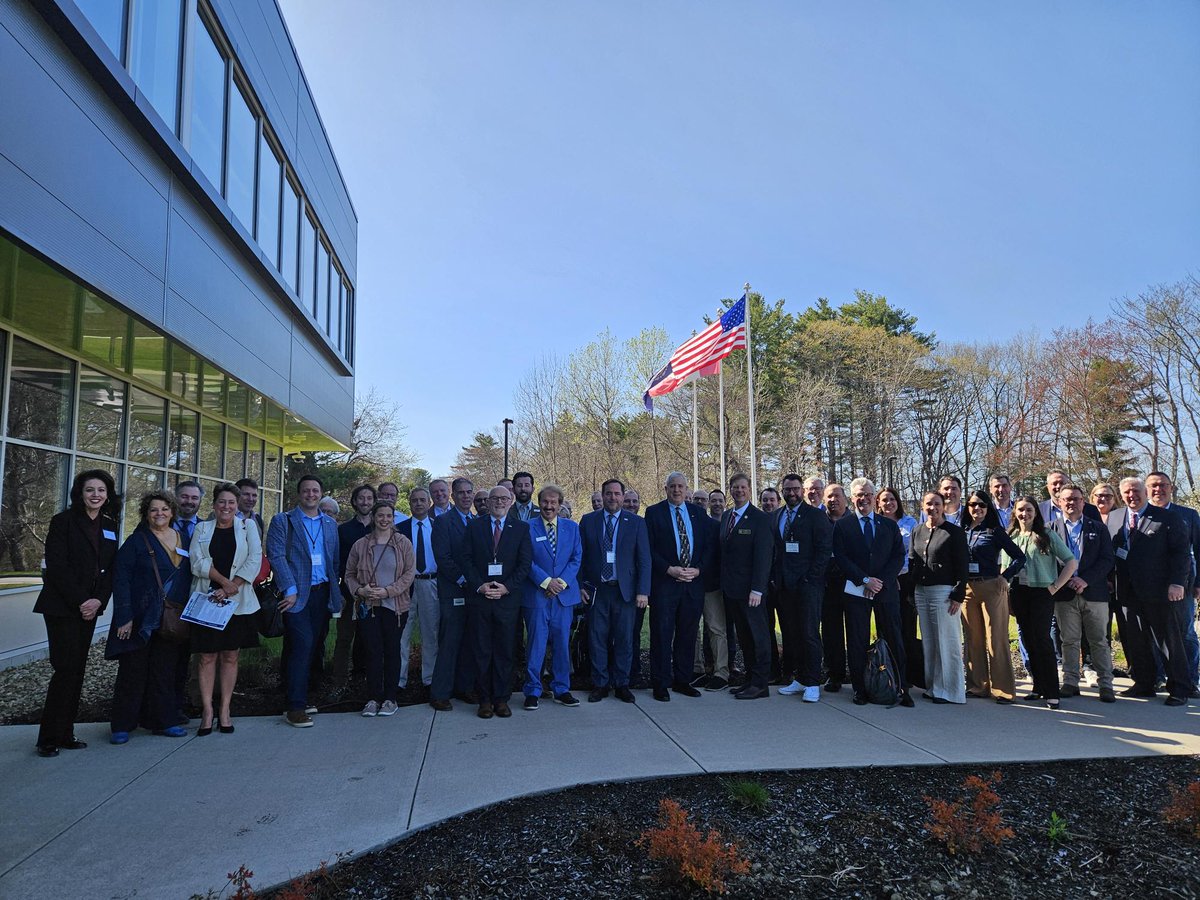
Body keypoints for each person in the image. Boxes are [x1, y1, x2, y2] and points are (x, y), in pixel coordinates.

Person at [34, 469, 121, 757]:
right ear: (79, 493)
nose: (95, 495)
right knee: (65, 670)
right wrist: (83, 600)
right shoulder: (63, 521)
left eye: (101, 490)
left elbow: (111, 569)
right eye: (89, 490)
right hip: (62, 607)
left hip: (90, 609)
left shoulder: (110, 525)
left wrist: (98, 601)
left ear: (107, 495)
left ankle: (66, 732)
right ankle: (48, 737)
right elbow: (57, 567)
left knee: (78, 671)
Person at [107, 491, 188, 743]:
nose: (160, 514)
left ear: (172, 511)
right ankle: (122, 724)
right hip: (140, 617)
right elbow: (120, 580)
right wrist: (124, 616)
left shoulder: (182, 538)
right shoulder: (136, 542)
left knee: (165, 671)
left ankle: (163, 721)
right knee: (133, 671)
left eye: (164, 509)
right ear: (146, 513)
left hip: (171, 617)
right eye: (154, 510)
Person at [1108, 477, 1192, 705]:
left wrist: (1177, 583)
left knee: (1168, 641)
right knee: (1137, 641)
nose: (1131, 495)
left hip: (1160, 591)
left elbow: (1181, 553)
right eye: (1126, 492)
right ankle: (1144, 684)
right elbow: (1111, 551)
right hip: (1127, 591)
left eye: (1135, 490)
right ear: (1121, 494)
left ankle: (1179, 688)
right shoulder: (1115, 517)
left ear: (1145, 492)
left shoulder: (1168, 518)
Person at [266, 474, 341, 727]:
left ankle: (299, 695)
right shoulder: (283, 521)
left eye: (315, 490)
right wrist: (289, 588)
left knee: (314, 645)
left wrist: (335, 594)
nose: (311, 494)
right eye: (306, 490)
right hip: (295, 595)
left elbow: (334, 561)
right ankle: (295, 708)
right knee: (303, 644)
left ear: (321, 494)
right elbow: (275, 555)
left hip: (321, 593)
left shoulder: (330, 524)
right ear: (299, 494)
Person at [189, 483, 263, 735]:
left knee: (231, 656)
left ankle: (225, 709)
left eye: (231, 502)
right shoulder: (202, 528)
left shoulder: (248, 526)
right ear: (214, 504)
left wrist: (234, 586)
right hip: (207, 600)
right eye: (222, 501)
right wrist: (223, 584)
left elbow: (255, 558)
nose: (227, 507)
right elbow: (197, 561)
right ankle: (208, 710)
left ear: (237, 504)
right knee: (207, 656)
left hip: (237, 603)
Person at [832, 478, 911, 707]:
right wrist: (865, 580)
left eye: (867, 494)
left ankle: (900, 687)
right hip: (856, 591)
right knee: (857, 640)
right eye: (858, 495)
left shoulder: (888, 525)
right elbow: (841, 557)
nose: (863, 499)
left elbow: (898, 556)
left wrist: (881, 582)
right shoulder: (843, 526)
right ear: (851, 498)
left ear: (874, 497)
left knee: (894, 637)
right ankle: (860, 689)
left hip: (885, 592)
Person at [457, 486, 533, 718]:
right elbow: (466, 560)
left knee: (505, 650)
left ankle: (502, 698)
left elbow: (525, 563)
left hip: (507, 601)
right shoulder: (474, 526)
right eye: (494, 498)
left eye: (504, 498)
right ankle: (485, 699)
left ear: (510, 502)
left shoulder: (521, 528)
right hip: (480, 598)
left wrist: (506, 587)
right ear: (487, 503)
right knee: (481, 650)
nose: (499, 502)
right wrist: (479, 585)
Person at [581, 480, 651, 702]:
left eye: (617, 494)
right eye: (608, 494)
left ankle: (622, 683)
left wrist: (643, 591)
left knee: (624, 639)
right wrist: (581, 585)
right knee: (597, 638)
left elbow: (644, 559)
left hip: (625, 592)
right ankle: (600, 683)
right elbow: (579, 557)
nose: (613, 498)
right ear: (602, 496)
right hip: (597, 591)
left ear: (623, 497)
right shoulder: (588, 521)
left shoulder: (637, 523)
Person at [645, 472, 712, 701]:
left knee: (688, 634)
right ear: (666, 489)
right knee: (662, 635)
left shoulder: (698, 513)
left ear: (686, 489)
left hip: (693, 585)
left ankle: (682, 680)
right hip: (665, 584)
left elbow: (708, 548)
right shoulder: (653, 513)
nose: (676, 490)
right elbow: (649, 549)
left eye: (680, 487)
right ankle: (660, 683)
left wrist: (699, 569)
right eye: (672, 486)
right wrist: (668, 569)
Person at [344, 501, 415, 717]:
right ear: (373, 517)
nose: (384, 520)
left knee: (392, 651)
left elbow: (409, 574)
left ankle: (391, 698)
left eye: (388, 516)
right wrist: (360, 591)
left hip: (395, 607)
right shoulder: (361, 545)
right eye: (380, 515)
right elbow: (349, 574)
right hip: (369, 607)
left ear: (393, 519)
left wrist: (388, 591)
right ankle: (373, 698)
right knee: (372, 652)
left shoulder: (403, 543)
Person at [1006, 496, 1077, 709]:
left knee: (1042, 640)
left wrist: (1055, 586)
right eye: (1020, 510)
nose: (1024, 514)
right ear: (1014, 513)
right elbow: (1005, 566)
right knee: (1028, 640)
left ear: (1036, 512)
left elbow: (1071, 562)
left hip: (1041, 593)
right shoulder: (1012, 536)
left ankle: (1052, 691)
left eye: (1028, 509)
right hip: (1019, 592)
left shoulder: (1047, 535)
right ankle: (1037, 687)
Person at [1050, 484, 1117, 702]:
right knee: (1069, 640)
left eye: (1076, 499)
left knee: (1099, 640)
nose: (1072, 503)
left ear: (1083, 502)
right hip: (1064, 594)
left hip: (1094, 593)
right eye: (1067, 499)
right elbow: (1047, 561)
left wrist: (1085, 580)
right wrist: (1067, 580)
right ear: (1059, 502)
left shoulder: (1098, 528)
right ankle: (1070, 681)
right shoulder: (1050, 529)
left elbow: (1107, 559)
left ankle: (1105, 683)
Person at [960, 491, 1025, 704]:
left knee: (995, 639)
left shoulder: (995, 531)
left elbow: (1019, 557)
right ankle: (977, 686)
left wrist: (1005, 577)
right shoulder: (962, 531)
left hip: (992, 587)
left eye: (981, 505)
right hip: (968, 589)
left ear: (988, 508)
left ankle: (1003, 690)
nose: (976, 509)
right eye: (972, 505)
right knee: (973, 639)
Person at [772, 474, 833, 702]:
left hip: (809, 586)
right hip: (785, 587)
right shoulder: (778, 515)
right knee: (793, 634)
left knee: (809, 634)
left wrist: (810, 578)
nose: (792, 493)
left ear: (801, 490)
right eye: (787, 489)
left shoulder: (815, 516)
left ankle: (813, 682)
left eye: (795, 489)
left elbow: (824, 550)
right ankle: (800, 677)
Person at [521, 485, 583, 709]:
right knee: (536, 645)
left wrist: (560, 584)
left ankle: (561, 688)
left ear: (560, 504)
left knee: (561, 644)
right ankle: (532, 690)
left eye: (554, 502)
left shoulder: (572, 528)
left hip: (563, 597)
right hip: (537, 596)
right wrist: (546, 582)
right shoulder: (527, 528)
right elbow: (526, 560)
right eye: (545, 502)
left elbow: (576, 559)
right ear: (540, 503)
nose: (549, 506)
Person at [718, 474, 775, 700]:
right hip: (732, 590)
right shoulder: (726, 517)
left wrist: (758, 589)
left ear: (750, 490)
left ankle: (761, 684)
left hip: (752, 592)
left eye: (743, 487)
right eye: (735, 487)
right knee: (744, 637)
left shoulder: (760, 519)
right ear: (730, 490)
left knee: (759, 637)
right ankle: (750, 679)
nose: (739, 491)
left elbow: (764, 556)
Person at [909, 492, 969, 705]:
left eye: (936, 504)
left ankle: (950, 691)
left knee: (948, 641)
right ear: (922, 506)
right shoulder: (917, 531)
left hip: (944, 593)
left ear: (943, 506)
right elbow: (912, 561)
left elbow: (963, 566)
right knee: (930, 642)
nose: (932, 507)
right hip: (921, 592)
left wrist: (958, 594)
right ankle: (934, 687)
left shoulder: (954, 533)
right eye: (928, 504)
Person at [1145, 472, 1200, 697]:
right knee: (1153, 632)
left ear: (1171, 487)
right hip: (1149, 585)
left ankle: (1191, 680)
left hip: (1182, 583)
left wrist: (1198, 582)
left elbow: (1198, 549)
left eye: (1163, 485)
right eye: (1153, 486)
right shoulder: (1141, 514)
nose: (1158, 489)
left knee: (1185, 631)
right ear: (1147, 489)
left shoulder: (1188, 515)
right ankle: (1159, 677)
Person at [429, 477, 480, 711]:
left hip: (476, 591)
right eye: (461, 493)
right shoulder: (443, 522)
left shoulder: (478, 521)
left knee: (470, 640)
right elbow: (443, 558)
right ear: (453, 495)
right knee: (450, 641)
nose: (466, 496)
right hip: (453, 590)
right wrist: (463, 579)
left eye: (470, 492)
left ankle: (465, 687)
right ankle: (440, 693)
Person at [877, 486, 923, 690]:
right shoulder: (876, 524)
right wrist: (887, 577)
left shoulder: (910, 523)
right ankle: (886, 672)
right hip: (883, 583)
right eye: (884, 500)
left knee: (907, 627)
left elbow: (913, 553)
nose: (888, 503)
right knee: (886, 628)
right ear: (878, 503)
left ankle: (908, 675)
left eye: (892, 499)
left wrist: (896, 573)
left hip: (905, 581)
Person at [330, 484, 375, 691]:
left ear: (374, 502)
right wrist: (340, 591)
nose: (365, 502)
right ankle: (338, 683)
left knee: (368, 639)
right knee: (344, 639)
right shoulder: (344, 530)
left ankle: (363, 680)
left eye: (369, 498)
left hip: (376, 593)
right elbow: (337, 563)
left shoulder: (381, 528)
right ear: (355, 501)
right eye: (361, 498)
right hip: (349, 592)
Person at [397, 488, 439, 694]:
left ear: (429, 502)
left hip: (431, 583)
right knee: (402, 633)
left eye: (423, 500)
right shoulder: (400, 528)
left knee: (430, 633)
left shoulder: (439, 526)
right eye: (414, 500)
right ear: (410, 503)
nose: (419, 504)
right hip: (405, 585)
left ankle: (429, 679)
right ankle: (399, 681)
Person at [821, 483, 849, 690]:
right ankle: (835, 674)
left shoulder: (854, 521)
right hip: (827, 581)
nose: (833, 500)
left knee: (857, 629)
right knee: (831, 630)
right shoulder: (820, 521)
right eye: (829, 497)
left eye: (837, 496)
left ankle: (860, 672)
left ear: (845, 499)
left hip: (852, 580)